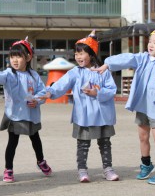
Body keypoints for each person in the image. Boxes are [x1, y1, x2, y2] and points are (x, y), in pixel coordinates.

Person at [93, 24, 155, 185]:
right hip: (142, 106)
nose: (151, 45)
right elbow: (127, 58)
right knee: (142, 137)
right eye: (150, 41)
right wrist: (108, 64)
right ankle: (146, 164)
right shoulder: (143, 58)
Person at [40, 30, 119, 183]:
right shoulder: (74, 72)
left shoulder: (103, 71)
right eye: (76, 54)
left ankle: (108, 169)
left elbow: (111, 90)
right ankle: (82, 170)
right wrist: (50, 92)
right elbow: (61, 85)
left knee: (105, 143)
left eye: (82, 53)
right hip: (84, 115)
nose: (78, 57)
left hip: (103, 115)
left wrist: (97, 92)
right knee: (83, 144)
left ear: (92, 54)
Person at [0, 37, 52, 183]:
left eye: (19, 56)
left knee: (35, 139)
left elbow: (42, 92)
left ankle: (41, 161)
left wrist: (36, 100)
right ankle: (8, 169)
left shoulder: (34, 75)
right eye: (12, 56)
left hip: (31, 113)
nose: (15, 60)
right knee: (12, 141)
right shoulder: (9, 73)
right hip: (14, 114)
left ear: (29, 57)